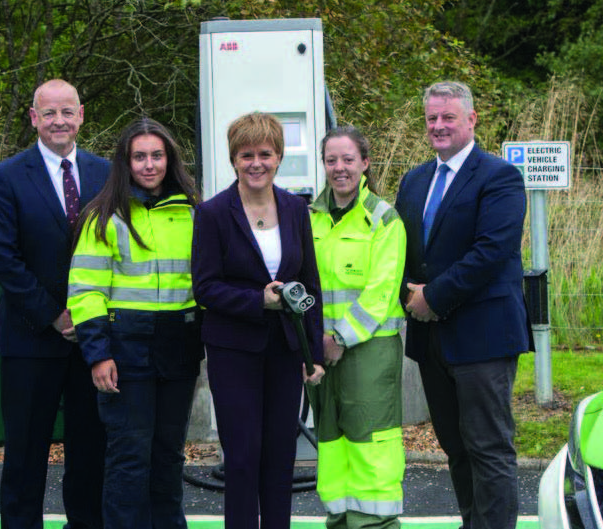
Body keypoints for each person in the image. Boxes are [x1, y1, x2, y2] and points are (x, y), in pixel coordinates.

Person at [394, 81, 533, 529]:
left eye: (448, 117)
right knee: (455, 447)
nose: (438, 126)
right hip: (432, 341)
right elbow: (400, 252)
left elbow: (491, 251)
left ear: (471, 120)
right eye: (432, 118)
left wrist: (432, 297)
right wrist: (408, 296)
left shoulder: (500, 177)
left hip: (483, 337)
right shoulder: (414, 180)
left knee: (488, 448)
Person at [0, 79, 110, 529]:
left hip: (92, 340)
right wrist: (54, 316)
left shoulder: (106, 172)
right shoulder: (7, 176)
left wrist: (90, 319)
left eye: (67, 111)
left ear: (80, 115)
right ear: (35, 118)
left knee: (90, 448)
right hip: (30, 337)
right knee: (25, 452)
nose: (59, 120)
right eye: (49, 113)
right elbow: (3, 257)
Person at [191, 111, 326, 529]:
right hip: (234, 351)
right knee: (244, 456)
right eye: (246, 154)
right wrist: (257, 301)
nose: (256, 163)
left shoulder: (295, 209)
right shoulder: (213, 213)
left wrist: (314, 352)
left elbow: (309, 285)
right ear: (234, 159)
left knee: (280, 456)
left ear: (279, 157)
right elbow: (206, 287)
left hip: (286, 349)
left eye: (265, 154)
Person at [67, 117, 203, 529]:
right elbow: (86, 291)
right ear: (125, 162)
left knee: (168, 454)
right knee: (129, 457)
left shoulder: (195, 212)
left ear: (170, 159)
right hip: (124, 350)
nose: (149, 165)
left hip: (179, 347)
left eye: (157, 155)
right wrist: (97, 354)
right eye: (139, 156)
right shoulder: (102, 216)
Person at [308, 126, 407, 529]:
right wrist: (310, 344)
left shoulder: (383, 219)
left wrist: (340, 338)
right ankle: (340, 520)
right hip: (319, 352)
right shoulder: (308, 217)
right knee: (331, 443)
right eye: (331, 160)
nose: (339, 168)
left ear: (365, 163)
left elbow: (380, 293)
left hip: (368, 350)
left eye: (348, 159)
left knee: (371, 444)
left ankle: (375, 525)